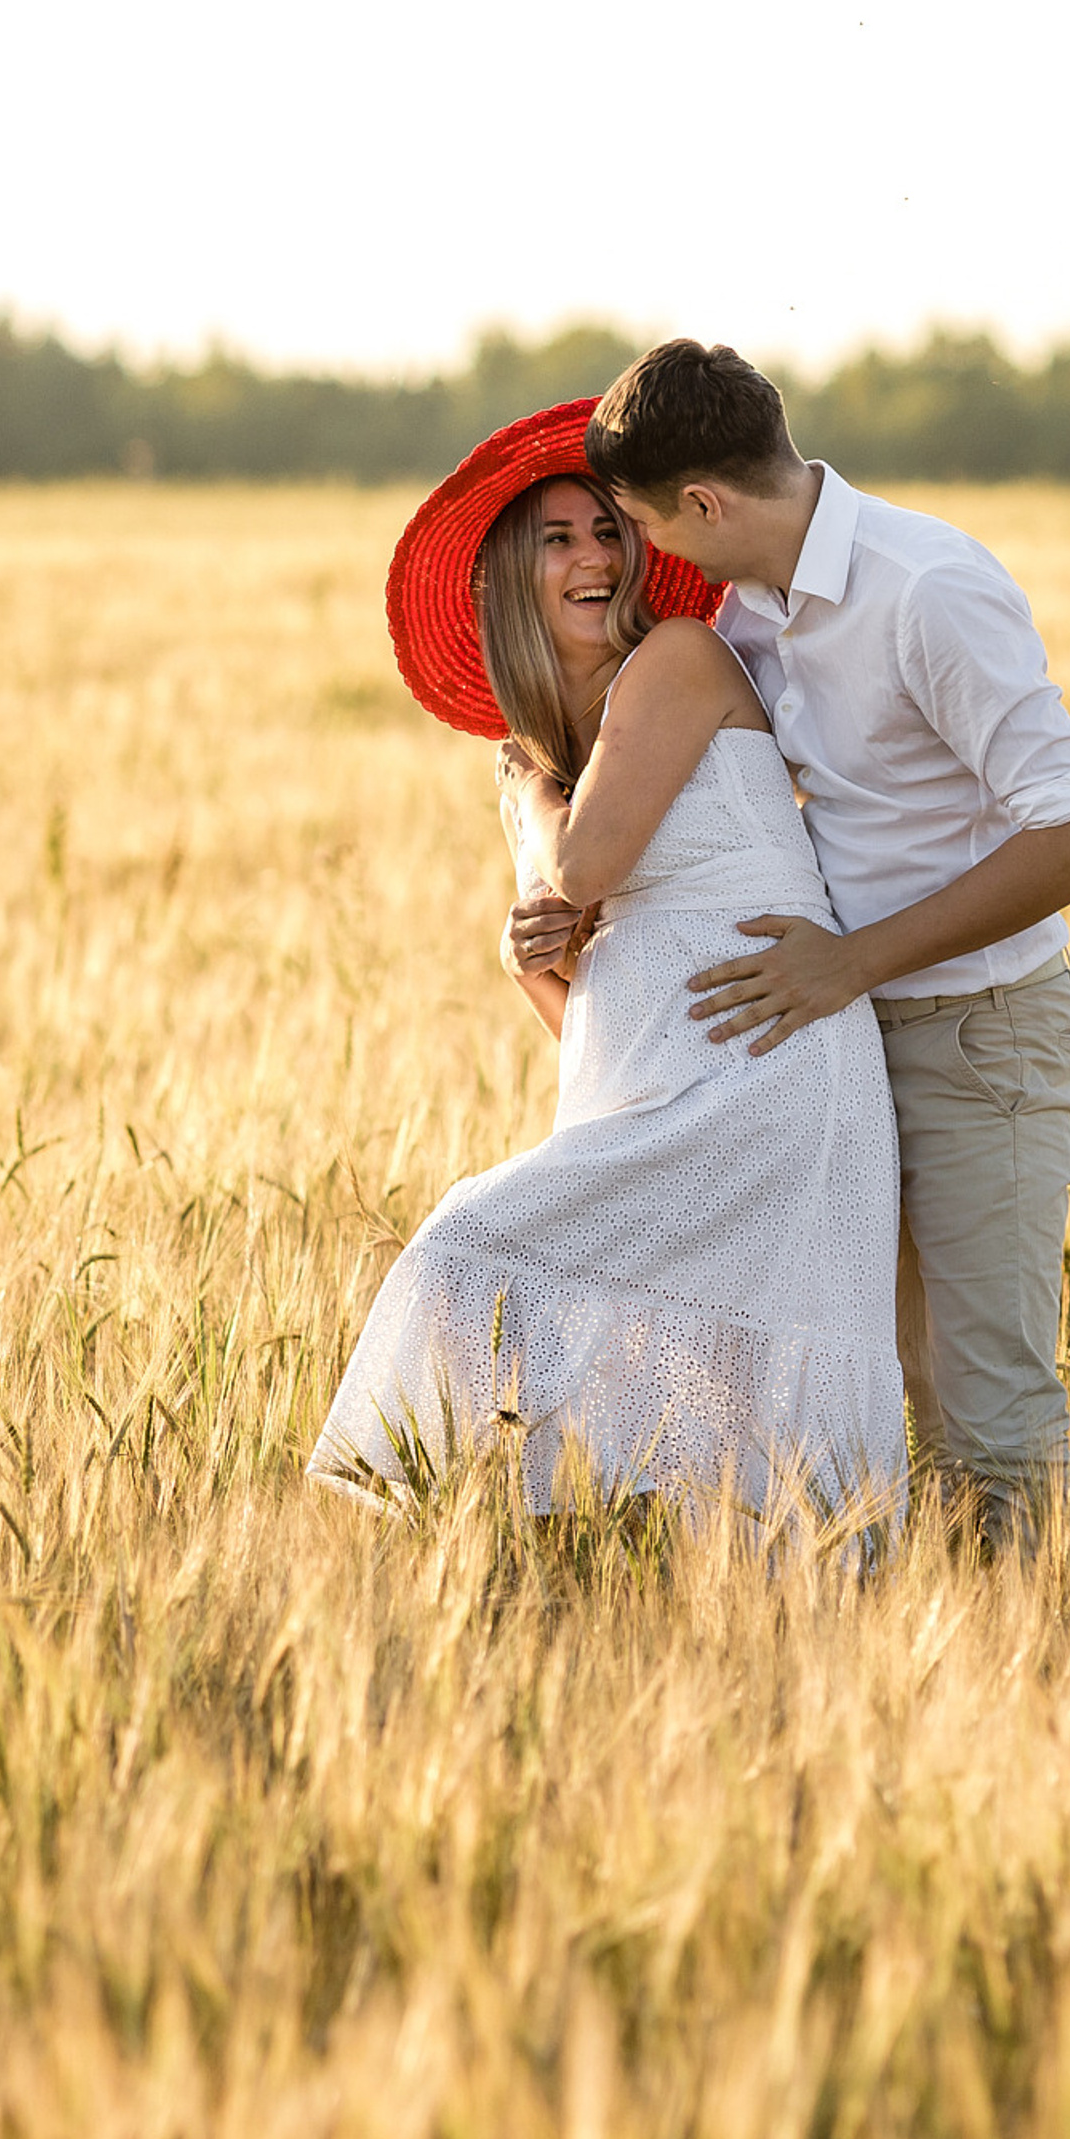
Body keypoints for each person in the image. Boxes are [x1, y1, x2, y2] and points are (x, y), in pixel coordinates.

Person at [308, 401, 907, 1522]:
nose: (591, 557)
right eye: (556, 538)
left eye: (605, 530)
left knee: (460, 1252)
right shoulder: (543, 759)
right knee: (671, 1411)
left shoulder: (677, 661)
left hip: (768, 1076)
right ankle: (606, 1590)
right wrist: (523, 957)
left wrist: (533, 813)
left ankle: (390, 1529)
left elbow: (582, 864)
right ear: (506, 579)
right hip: (651, 1086)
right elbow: (585, 1007)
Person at [567, 339, 1070, 1548]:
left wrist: (848, 962)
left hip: (981, 1039)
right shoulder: (749, 610)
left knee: (993, 1419)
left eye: (650, 526)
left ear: (704, 503)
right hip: (844, 1048)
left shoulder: (923, 587)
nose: (651, 554)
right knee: (907, 1396)